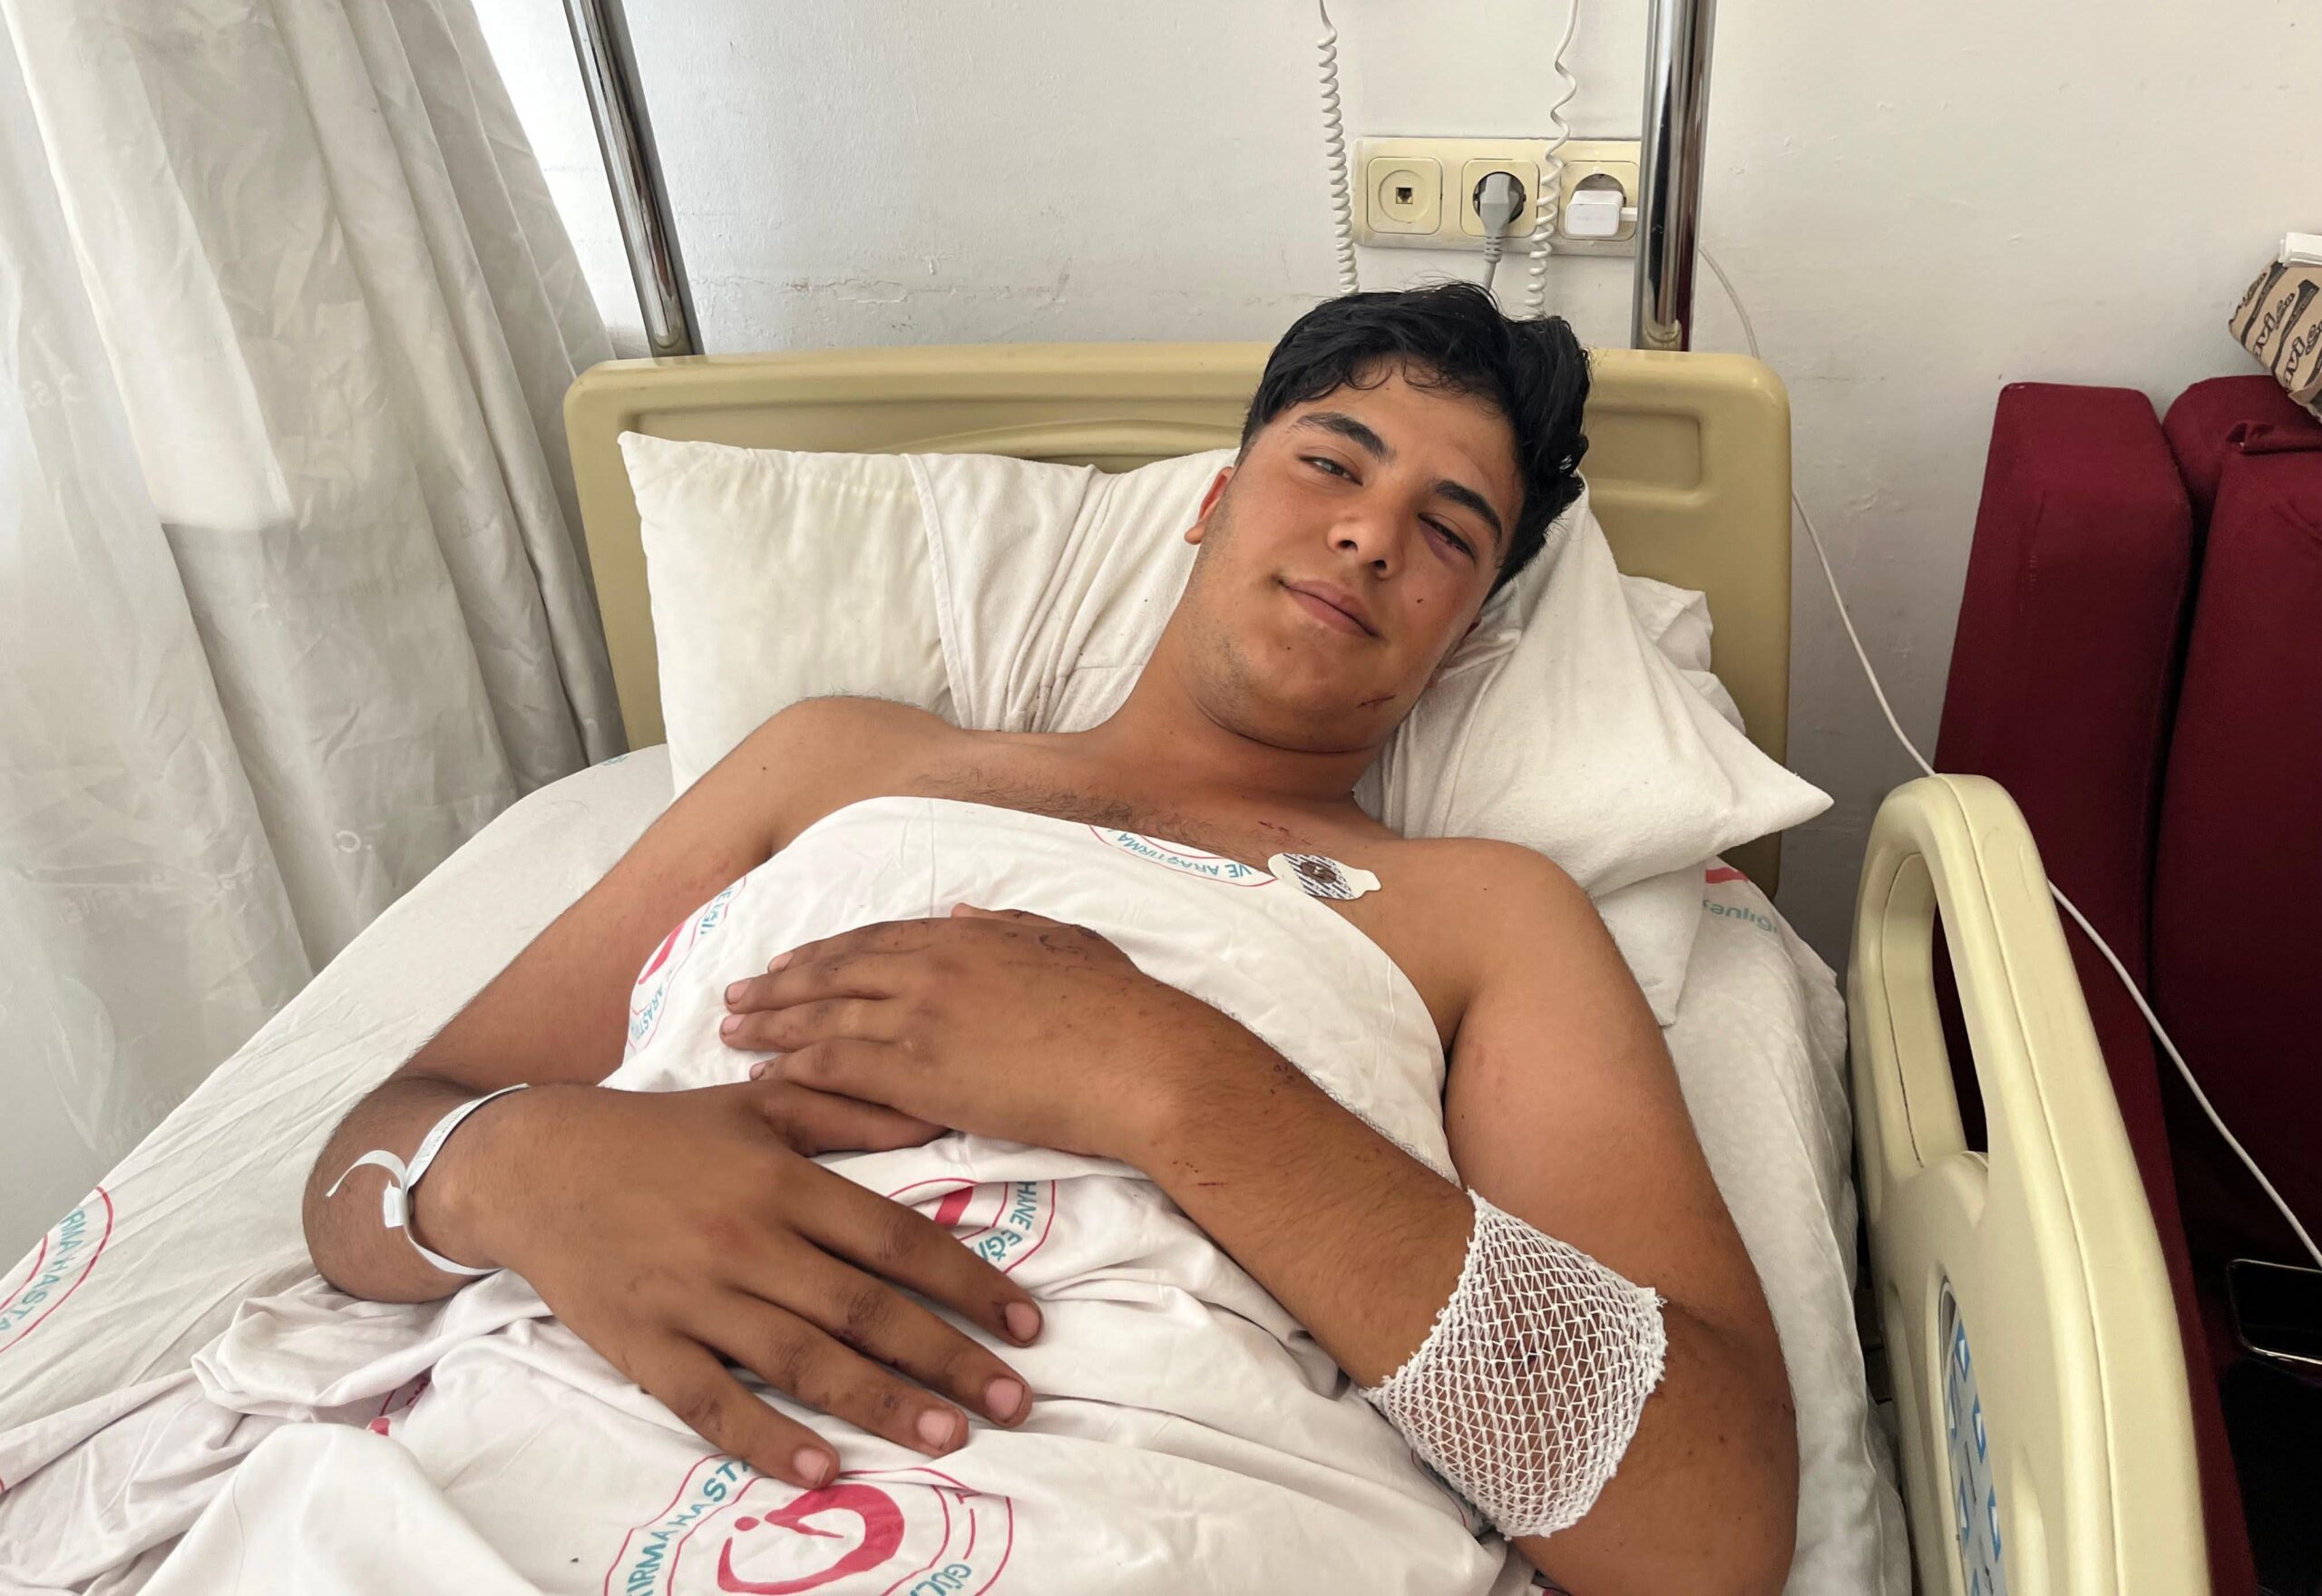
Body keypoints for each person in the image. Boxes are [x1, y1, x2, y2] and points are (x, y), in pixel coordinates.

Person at [303, 283, 1798, 1594]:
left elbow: (1704, 1525)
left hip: (1130, 1512)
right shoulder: (836, 764)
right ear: (1212, 503)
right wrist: (520, 1167)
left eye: (1448, 532)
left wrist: (1165, 1076)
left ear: (1465, 635)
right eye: (1331, 464)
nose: (1367, 533)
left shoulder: (1485, 913)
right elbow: (365, 1168)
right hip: (552, 1455)